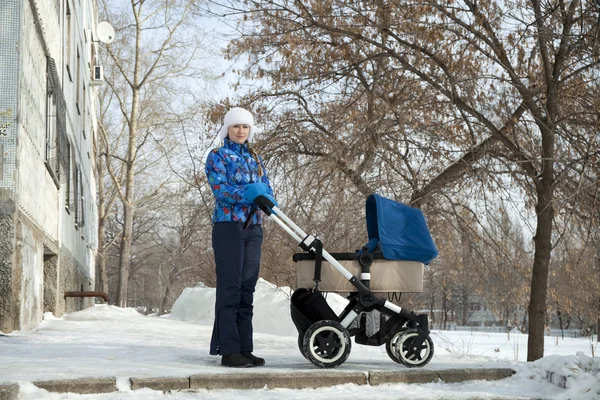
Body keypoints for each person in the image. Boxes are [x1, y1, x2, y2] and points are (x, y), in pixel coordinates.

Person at [204, 107, 276, 368]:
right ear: (227, 128)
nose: (241, 131)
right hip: (229, 227)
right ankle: (229, 351)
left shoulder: (255, 158)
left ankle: (245, 348)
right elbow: (221, 190)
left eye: (245, 127)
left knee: (247, 288)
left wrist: (266, 196)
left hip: (254, 227)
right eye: (236, 126)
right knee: (231, 287)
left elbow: (266, 185)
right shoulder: (217, 156)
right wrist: (250, 192)